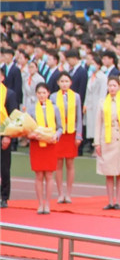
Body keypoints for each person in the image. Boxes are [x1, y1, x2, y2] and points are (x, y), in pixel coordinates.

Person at [94, 77, 120, 210]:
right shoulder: (102, 102)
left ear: (118, 87)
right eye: (110, 85)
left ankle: (118, 201)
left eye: (114, 85)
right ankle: (110, 201)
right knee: (109, 172)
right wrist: (97, 143)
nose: (112, 88)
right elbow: (98, 124)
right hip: (107, 139)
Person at [27, 83, 61, 214]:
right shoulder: (31, 109)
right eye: (39, 93)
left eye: (44, 93)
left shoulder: (55, 108)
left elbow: (60, 127)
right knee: (39, 174)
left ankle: (47, 203)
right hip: (37, 145)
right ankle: (40, 203)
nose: (42, 95)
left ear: (48, 93)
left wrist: (56, 136)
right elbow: (26, 127)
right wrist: (30, 135)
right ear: (36, 94)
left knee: (49, 174)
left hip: (50, 144)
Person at [50, 72, 83, 203]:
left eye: (67, 81)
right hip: (59, 133)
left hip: (71, 132)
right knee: (58, 163)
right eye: (62, 81)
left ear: (71, 83)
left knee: (70, 163)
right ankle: (60, 193)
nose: (64, 84)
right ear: (58, 83)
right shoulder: (53, 96)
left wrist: (79, 135)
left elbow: (79, 116)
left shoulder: (76, 96)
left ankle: (69, 193)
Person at [0, 72, 19, 208]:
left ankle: (4, 196)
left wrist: (8, 136)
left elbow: (14, 117)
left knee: (4, 167)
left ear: (2, 78)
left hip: (3, 133)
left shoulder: (9, 94)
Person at [84, 55, 107, 156]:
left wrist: (101, 105)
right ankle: (94, 147)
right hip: (90, 105)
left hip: (97, 104)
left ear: (98, 65)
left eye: (94, 64)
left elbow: (103, 93)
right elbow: (87, 92)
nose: (92, 66)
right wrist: (85, 104)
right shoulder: (91, 76)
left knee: (98, 127)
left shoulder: (102, 77)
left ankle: (98, 148)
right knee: (92, 127)